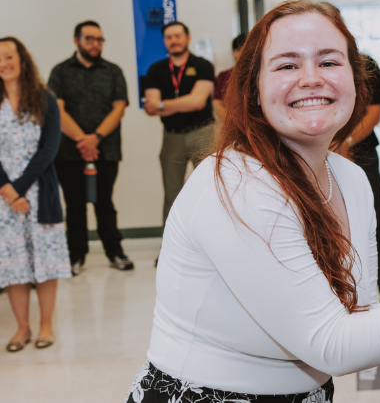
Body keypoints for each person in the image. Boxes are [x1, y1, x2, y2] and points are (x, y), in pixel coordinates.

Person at [127, 0, 380, 403]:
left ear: (356, 80)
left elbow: (354, 314)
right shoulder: (237, 183)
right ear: (253, 89)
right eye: (287, 65)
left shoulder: (350, 179)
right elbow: (332, 343)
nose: (311, 78)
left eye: (328, 62)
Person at [0, 37, 71, 352]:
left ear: (22, 59)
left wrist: (17, 188)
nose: (3, 63)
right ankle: (22, 328)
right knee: (13, 265)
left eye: (8, 56)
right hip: (3, 200)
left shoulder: (45, 99)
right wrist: (7, 189)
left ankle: (45, 325)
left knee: (45, 262)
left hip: (40, 194)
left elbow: (49, 149)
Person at [48, 20, 132, 275]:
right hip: (68, 151)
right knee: (74, 205)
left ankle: (115, 252)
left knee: (104, 203)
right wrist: (83, 141)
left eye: (99, 39)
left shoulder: (113, 71)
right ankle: (76, 256)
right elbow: (57, 110)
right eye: (90, 39)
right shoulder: (60, 71)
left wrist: (95, 138)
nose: (95, 44)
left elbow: (119, 109)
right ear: (77, 41)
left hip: (106, 148)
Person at [335, 55, 380, 303]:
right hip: (318, 156)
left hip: (361, 155)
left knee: (375, 229)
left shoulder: (365, 65)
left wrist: (345, 143)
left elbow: (374, 113)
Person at [142, 21, 216, 226]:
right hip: (171, 136)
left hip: (203, 133)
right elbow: (150, 108)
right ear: (164, 41)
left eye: (177, 36)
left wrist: (162, 104)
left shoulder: (203, 65)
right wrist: (183, 103)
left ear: (187, 38)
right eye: (169, 37)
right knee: (172, 193)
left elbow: (197, 102)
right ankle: (170, 245)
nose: (173, 41)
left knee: (210, 190)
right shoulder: (155, 69)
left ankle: (211, 240)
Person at [213, 33, 247, 123]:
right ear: (233, 52)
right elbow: (217, 102)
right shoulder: (223, 75)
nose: (242, 53)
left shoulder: (260, 75)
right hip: (230, 123)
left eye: (246, 50)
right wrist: (231, 122)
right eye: (238, 50)